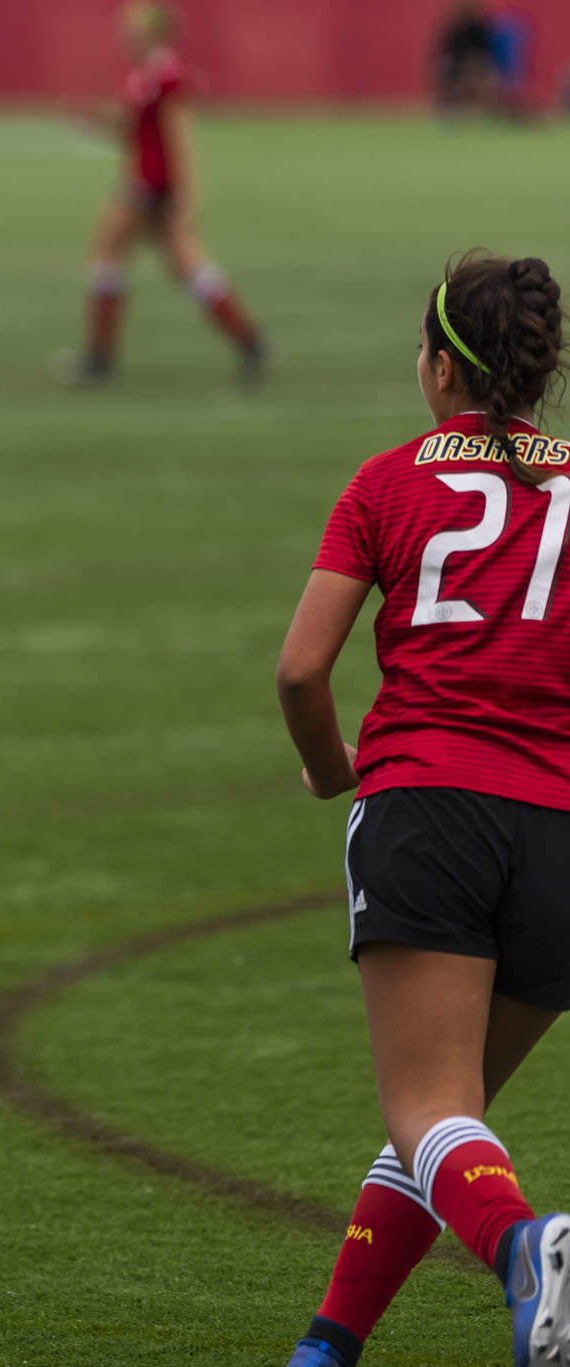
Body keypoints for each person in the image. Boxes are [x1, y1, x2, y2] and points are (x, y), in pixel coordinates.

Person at [276, 252, 570, 1366]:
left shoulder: (387, 480)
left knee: (429, 1109)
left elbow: (301, 670)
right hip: (555, 834)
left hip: (426, 805)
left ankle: (524, 1247)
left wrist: (323, 767)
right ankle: (323, 1346)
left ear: (441, 366)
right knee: (449, 1120)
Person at [56, 2, 266, 386]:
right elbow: (133, 134)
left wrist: (185, 199)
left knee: (106, 256)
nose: (123, 33)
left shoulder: (165, 74)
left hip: (151, 187)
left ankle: (99, 358)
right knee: (186, 267)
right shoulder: (145, 73)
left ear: (151, 30)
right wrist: (96, 122)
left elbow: (178, 138)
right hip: (149, 183)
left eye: (131, 26)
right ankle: (249, 340)